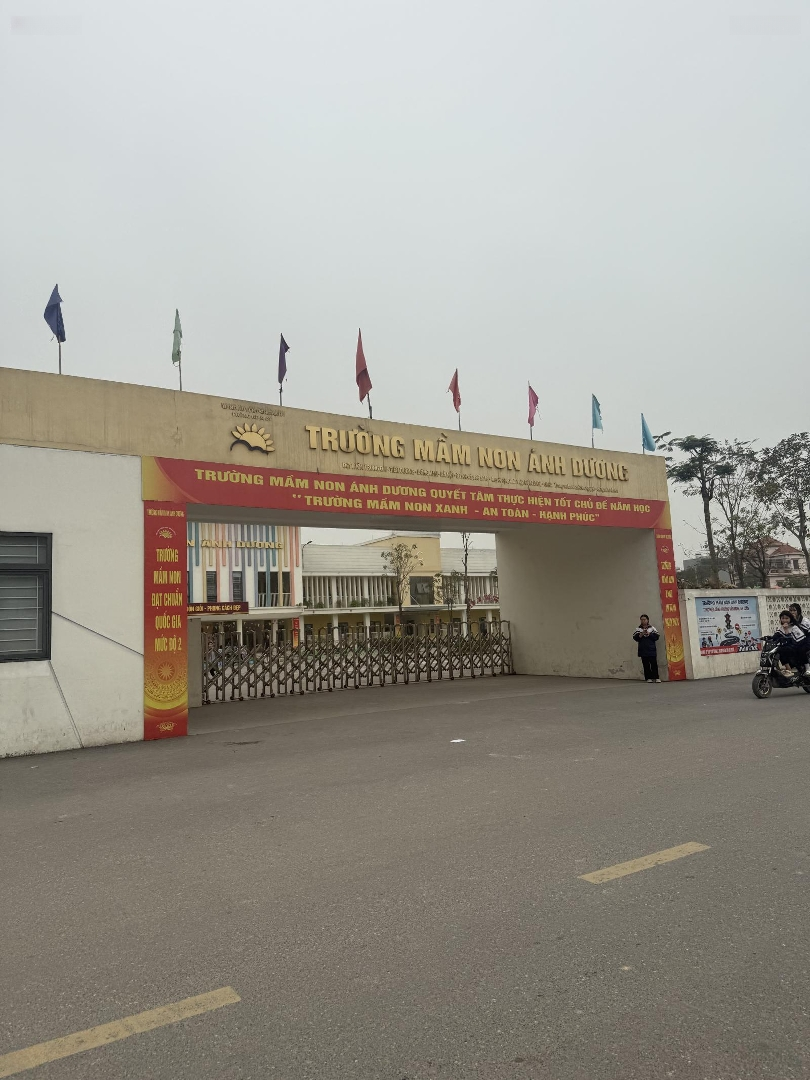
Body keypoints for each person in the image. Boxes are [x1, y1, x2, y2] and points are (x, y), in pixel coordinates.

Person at [633, 615, 661, 682]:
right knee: (646, 664)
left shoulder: (652, 628)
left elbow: (656, 637)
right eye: (641, 619)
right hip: (643, 649)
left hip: (651, 649)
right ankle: (648, 678)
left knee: (654, 664)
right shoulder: (638, 629)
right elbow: (635, 638)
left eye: (644, 619)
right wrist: (641, 634)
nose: (643, 621)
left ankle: (656, 677)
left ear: (647, 620)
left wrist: (649, 634)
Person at [788, 604, 810, 673]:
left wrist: (794, 622)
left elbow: (803, 632)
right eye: (790, 610)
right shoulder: (789, 621)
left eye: (794, 610)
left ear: (798, 611)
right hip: (797, 640)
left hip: (807, 638)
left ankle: (808, 668)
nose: (792, 612)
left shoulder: (804, 620)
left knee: (801, 649)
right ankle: (796, 667)